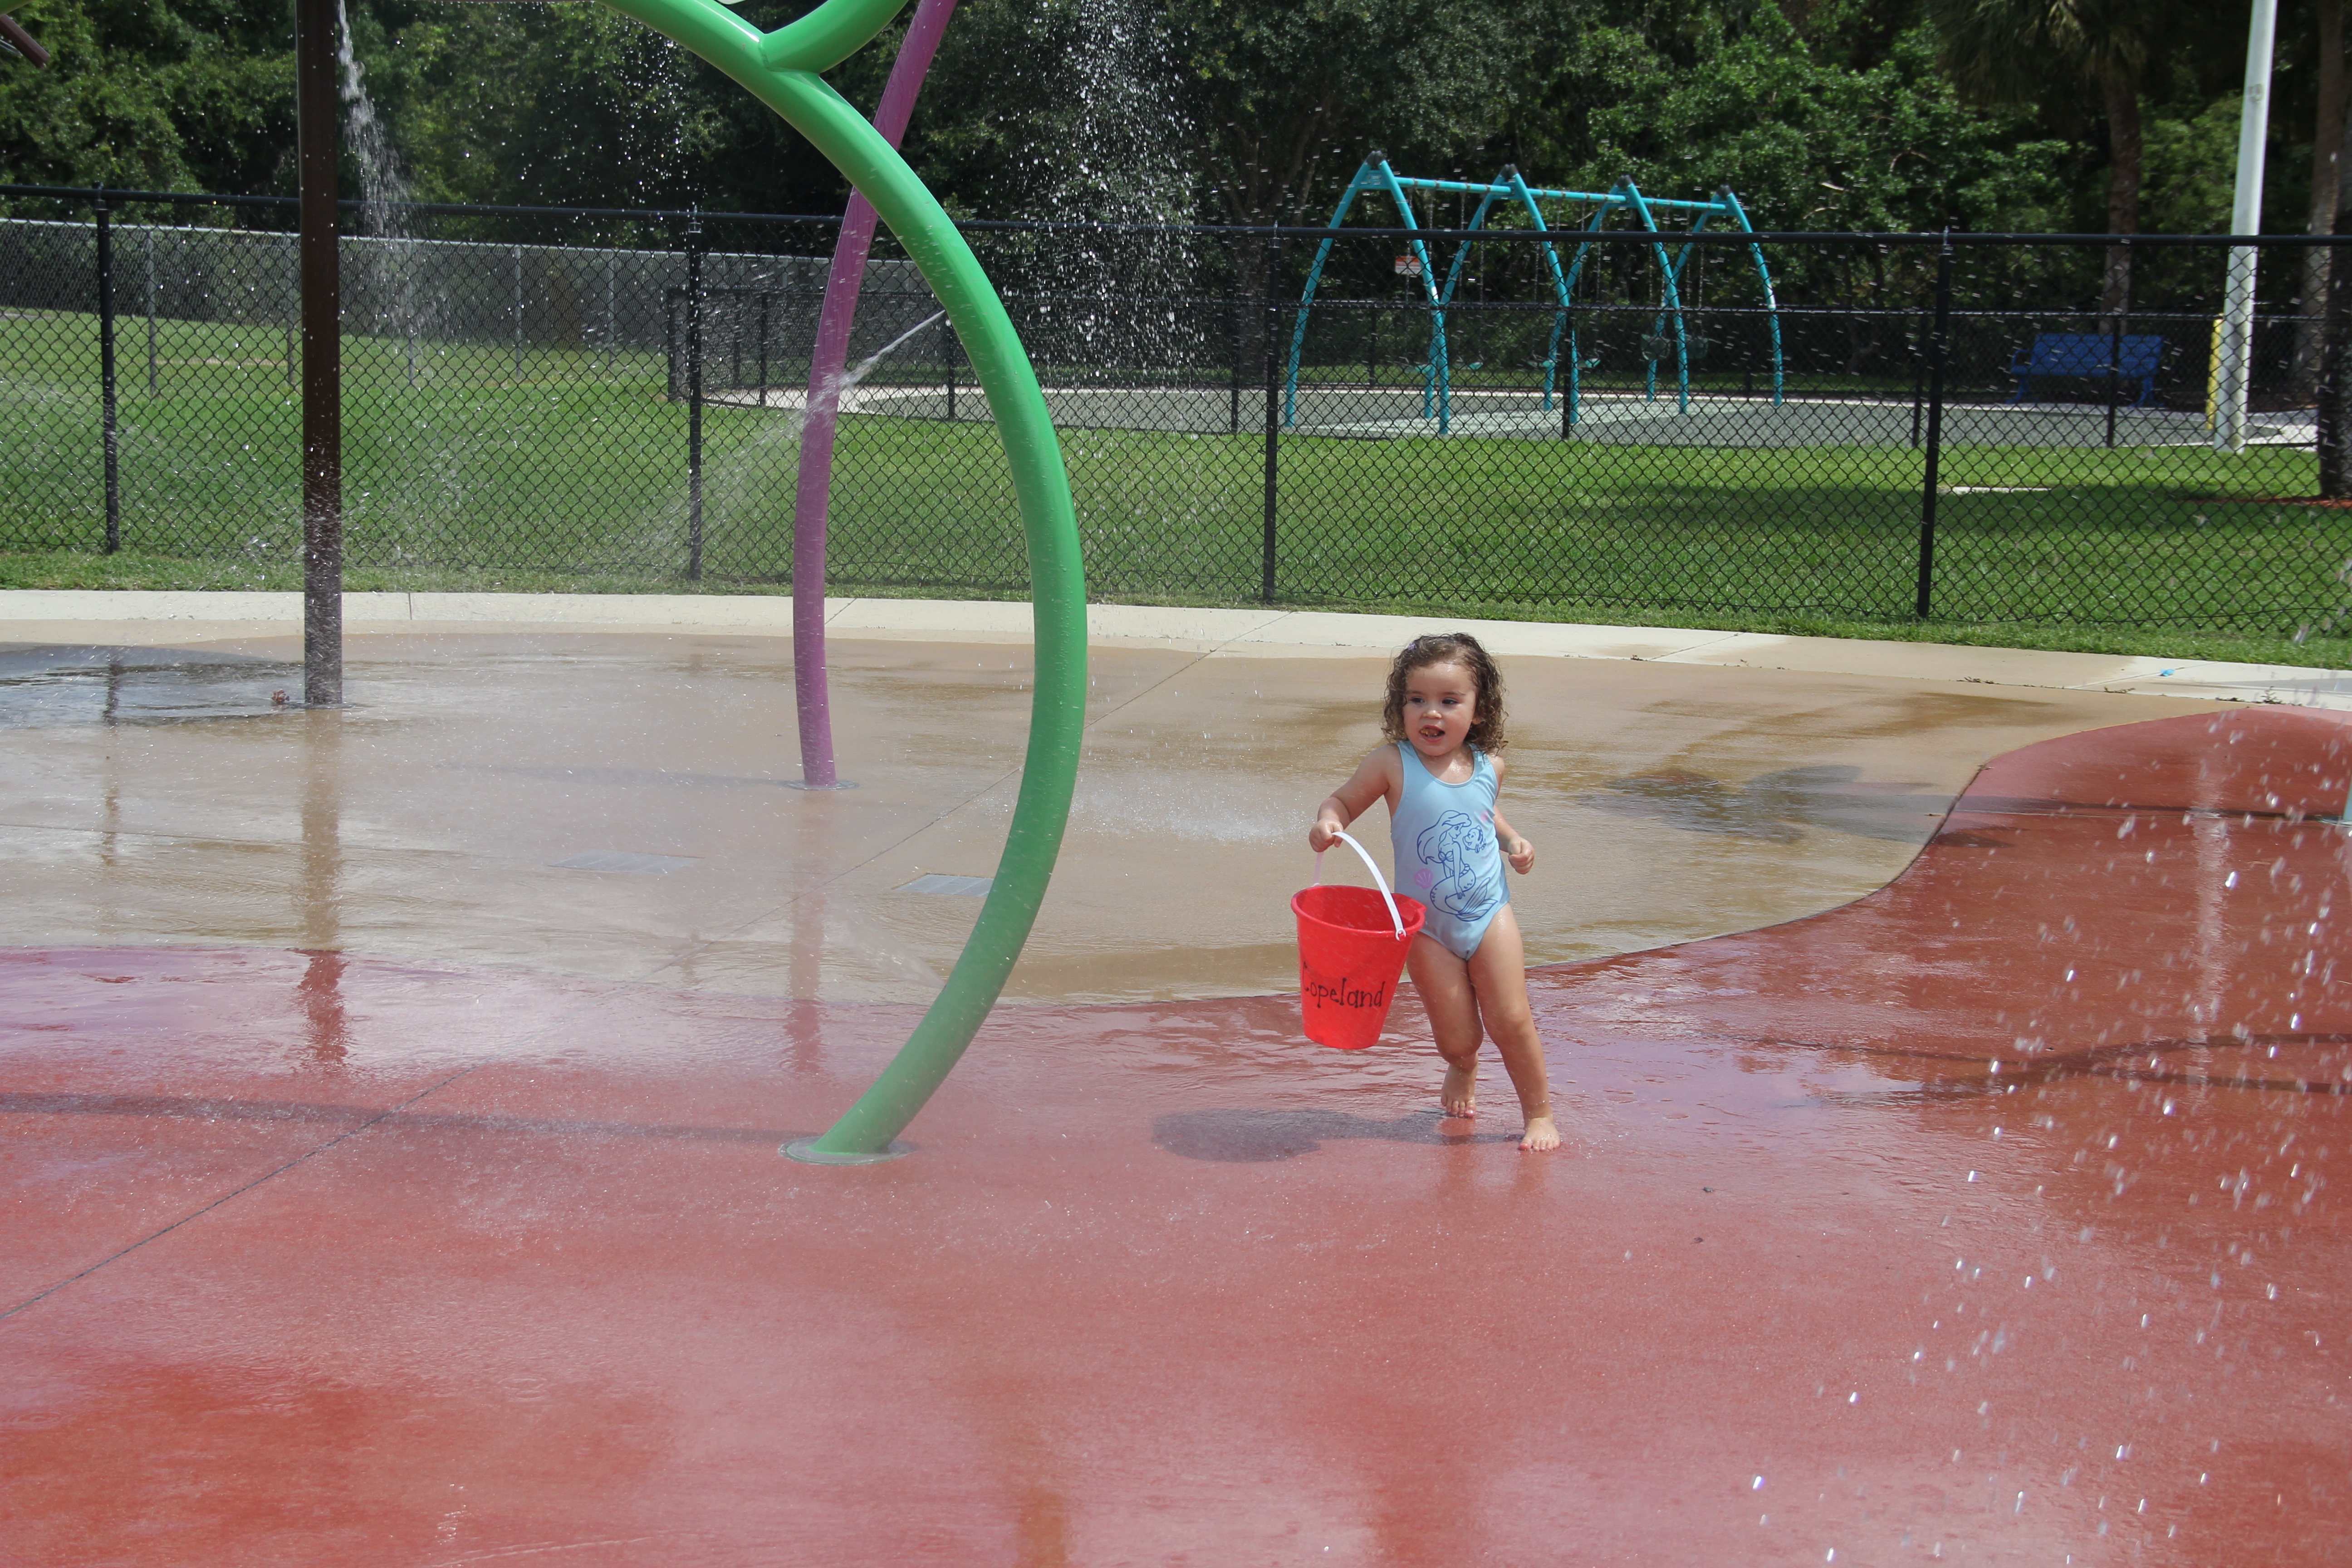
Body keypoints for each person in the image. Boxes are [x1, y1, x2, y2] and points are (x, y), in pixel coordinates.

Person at [1308, 632, 1561, 1152]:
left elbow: (1485, 814)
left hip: (1490, 913)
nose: (1432, 713)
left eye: (1450, 702)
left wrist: (1514, 841)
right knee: (1458, 1036)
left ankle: (1539, 1113)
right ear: (1400, 706)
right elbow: (1343, 801)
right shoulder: (1390, 764)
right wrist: (1328, 823)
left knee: (1511, 1017)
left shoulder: (1490, 767)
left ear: (1480, 711)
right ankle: (1463, 1067)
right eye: (1417, 700)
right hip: (1424, 928)